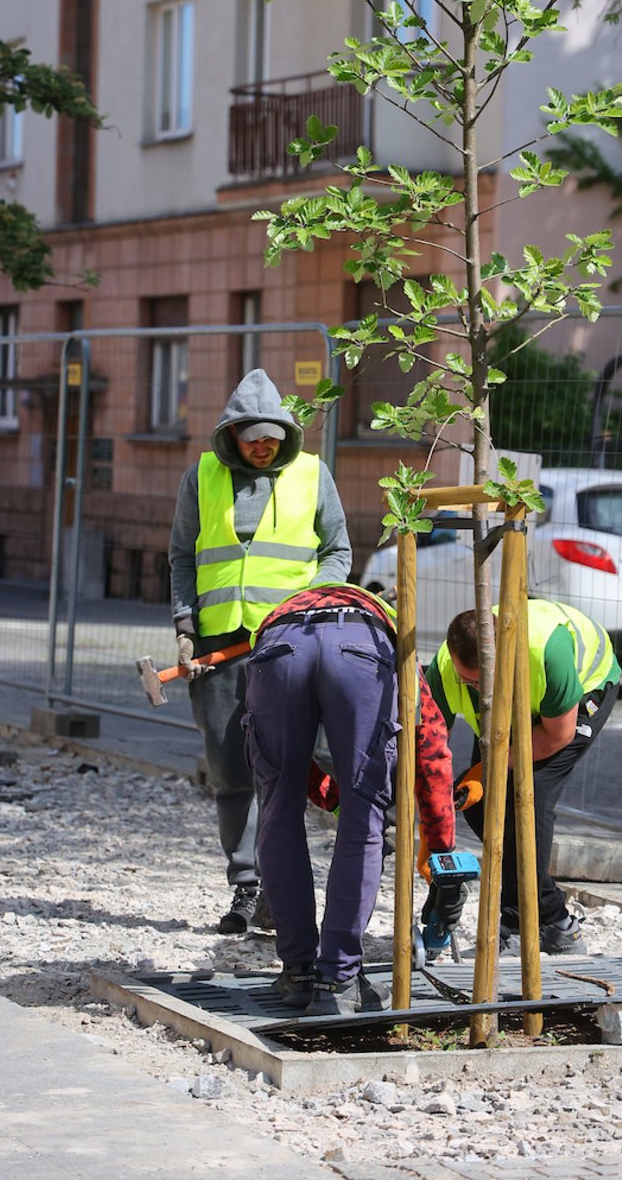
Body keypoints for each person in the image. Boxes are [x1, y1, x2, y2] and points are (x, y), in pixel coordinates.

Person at [168, 369, 352, 935]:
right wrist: (184, 624)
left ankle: (281, 888)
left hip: (289, 647)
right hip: (219, 648)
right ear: (232, 435)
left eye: (272, 437)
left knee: (285, 768)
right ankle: (245, 887)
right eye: (253, 437)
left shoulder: (311, 474)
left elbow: (338, 553)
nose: (263, 446)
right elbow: (181, 558)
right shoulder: (201, 477)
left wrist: (308, 607)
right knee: (231, 773)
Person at [243, 583, 458, 1015]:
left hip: (276, 647)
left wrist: (328, 795)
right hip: (362, 654)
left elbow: (282, 765)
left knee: (277, 810)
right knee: (364, 818)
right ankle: (338, 980)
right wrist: (442, 853)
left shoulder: (288, 609)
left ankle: (299, 971)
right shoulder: (391, 628)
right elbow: (431, 748)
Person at [424, 598, 621, 956]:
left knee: (527, 802)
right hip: (519, 708)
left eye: (486, 681)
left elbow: (556, 735)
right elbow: (428, 750)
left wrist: (486, 769)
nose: (478, 692)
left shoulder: (548, 653)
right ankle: (555, 919)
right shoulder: (441, 669)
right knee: (481, 807)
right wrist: (430, 824)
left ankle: (517, 926)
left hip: (584, 690)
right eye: (468, 683)